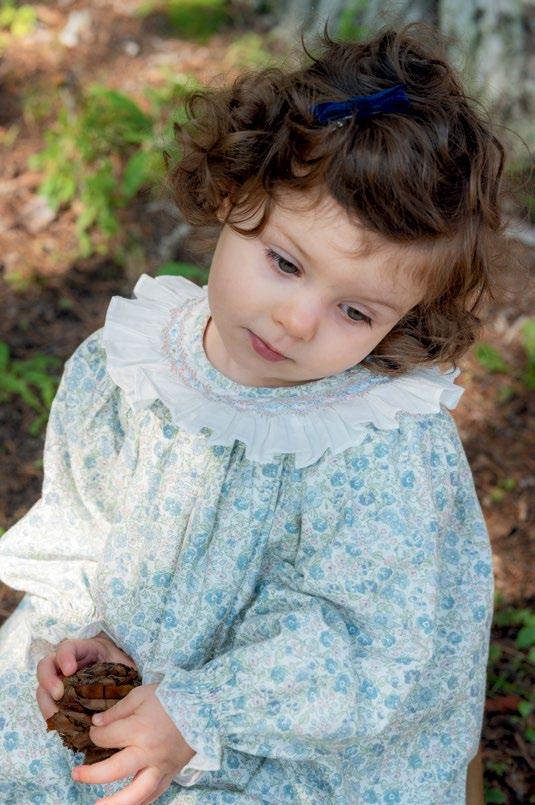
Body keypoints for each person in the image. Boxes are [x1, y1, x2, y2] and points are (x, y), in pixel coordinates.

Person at [0, 19, 506, 805]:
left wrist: (201, 710)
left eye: (355, 311)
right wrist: (86, 628)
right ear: (237, 191)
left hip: (284, 735)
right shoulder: (130, 367)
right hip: (130, 681)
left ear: (404, 317)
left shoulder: (375, 442)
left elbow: (358, 637)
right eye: (284, 262)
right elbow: (85, 514)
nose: (297, 321)